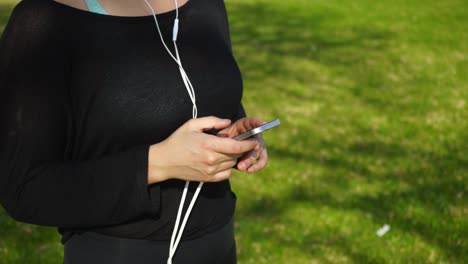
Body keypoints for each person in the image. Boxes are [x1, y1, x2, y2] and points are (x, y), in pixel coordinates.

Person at [0, 0, 269, 263]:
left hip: (218, 244)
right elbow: (23, 188)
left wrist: (235, 133)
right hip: (118, 251)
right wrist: (156, 165)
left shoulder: (207, 5)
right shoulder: (44, 20)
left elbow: (212, 96)